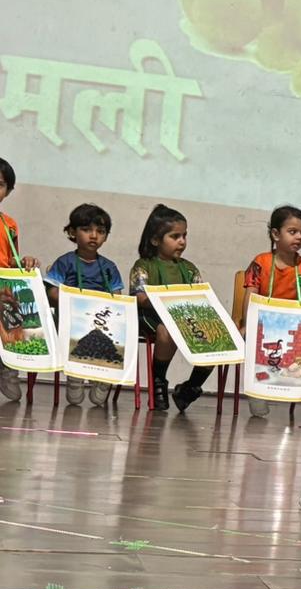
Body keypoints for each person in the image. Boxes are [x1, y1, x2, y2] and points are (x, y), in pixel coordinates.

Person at [128, 204, 212, 412]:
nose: (182, 241)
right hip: (151, 317)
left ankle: (191, 387)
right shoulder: (144, 265)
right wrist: (163, 300)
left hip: (184, 318)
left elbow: (201, 297)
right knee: (167, 331)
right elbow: (139, 297)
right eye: (175, 236)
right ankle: (158, 380)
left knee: (214, 338)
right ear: (155, 240)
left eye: (184, 235)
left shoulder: (189, 268)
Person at [243, 205, 301, 419]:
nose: (299, 237)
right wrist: (248, 325)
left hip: (291, 329)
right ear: (276, 234)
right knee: (254, 346)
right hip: (263, 327)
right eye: (293, 232)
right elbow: (250, 295)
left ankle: (290, 388)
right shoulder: (261, 262)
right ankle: (258, 393)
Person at [45, 203, 125, 406]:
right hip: (71, 319)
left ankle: (103, 377)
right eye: (86, 229)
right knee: (76, 336)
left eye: (101, 231)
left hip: (101, 321)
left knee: (113, 334)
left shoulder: (109, 267)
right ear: (72, 232)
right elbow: (52, 293)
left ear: (106, 236)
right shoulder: (65, 262)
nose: (94, 236)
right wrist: (77, 302)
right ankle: (75, 377)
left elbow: (117, 297)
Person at [0, 157, 40, 402]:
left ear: (8, 191)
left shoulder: (9, 224)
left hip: (2, 286)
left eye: (0, 185)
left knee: (15, 316)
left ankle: (8, 366)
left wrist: (24, 261)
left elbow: (11, 260)